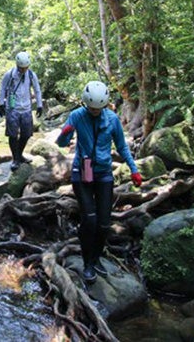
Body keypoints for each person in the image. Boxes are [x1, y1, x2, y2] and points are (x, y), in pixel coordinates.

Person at [56, 80, 143, 283]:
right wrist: (65, 133)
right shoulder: (77, 115)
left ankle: (96, 258)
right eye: (92, 108)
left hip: (103, 174)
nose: (95, 111)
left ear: (104, 106)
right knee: (90, 219)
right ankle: (87, 264)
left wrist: (134, 169)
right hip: (82, 172)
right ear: (86, 104)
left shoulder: (112, 119)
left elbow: (122, 147)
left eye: (98, 108)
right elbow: (61, 144)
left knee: (104, 224)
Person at [0, 51, 43, 171]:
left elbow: (37, 90)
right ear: (17, 65)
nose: (23, 70)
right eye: (21, 68)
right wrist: (1, 104)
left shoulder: (32, 75)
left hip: (27, 109)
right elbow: (2, 89)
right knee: (12, 135)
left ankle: (19, 155)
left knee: (26, 134)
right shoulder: (10, 75)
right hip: (12, 109)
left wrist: (39, 105)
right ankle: (15, 159)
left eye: (25, 68)